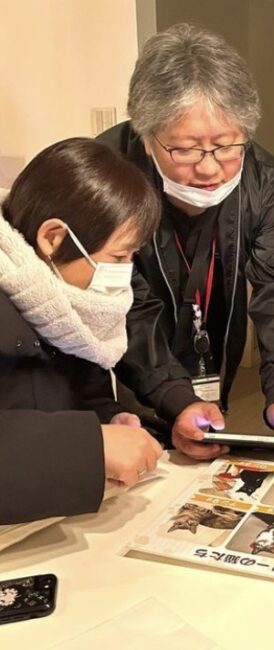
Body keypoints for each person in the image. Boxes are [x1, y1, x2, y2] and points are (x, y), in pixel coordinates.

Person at [99, 24, 274, 462]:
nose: (211, 168)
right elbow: (126, 306)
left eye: (227, 145)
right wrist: (174, 397)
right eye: (187, 149)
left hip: (213, 361)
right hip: (126, 373)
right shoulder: (106, 180)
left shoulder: (265, 180)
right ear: (146, 136)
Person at [0, 138, 163, 524]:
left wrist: (108, 418)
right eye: (119, 256)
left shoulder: (70, 303)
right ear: (53, 238)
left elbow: (79, 387)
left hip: (50, 520)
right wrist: (92, 447)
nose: (126, 271)